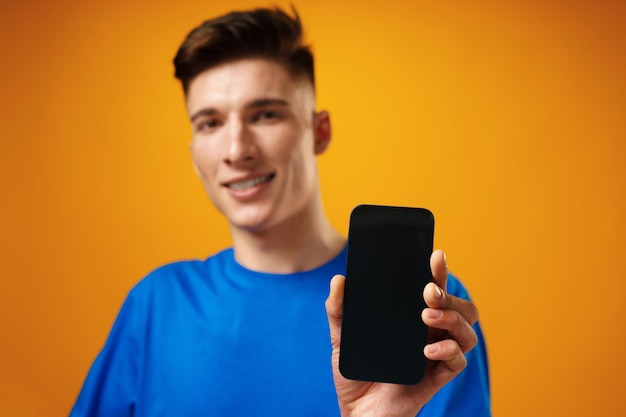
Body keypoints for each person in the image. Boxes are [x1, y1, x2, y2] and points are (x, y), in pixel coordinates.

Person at [70, 7, 490, 417]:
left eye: (266, 114)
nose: (237, 150)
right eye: (210, 123)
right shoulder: (156, 305)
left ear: (318, 131)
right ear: (194, 152)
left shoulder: (425, 309)